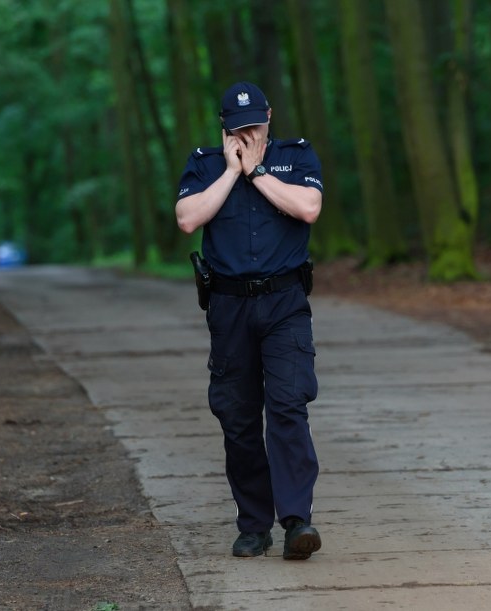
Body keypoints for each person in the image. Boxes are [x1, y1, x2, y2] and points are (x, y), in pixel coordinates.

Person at [175, 81, 323, 560]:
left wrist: (256, 170)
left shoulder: (296, 158)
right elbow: (187, 219)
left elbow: (307, 208)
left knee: (287, 407)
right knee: (238, 420)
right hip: (229, 307)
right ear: (224, 128)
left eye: (256, 125)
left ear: (270, 117)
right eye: (239, 129)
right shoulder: (204, 164)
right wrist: (231, 172)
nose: (249, 133)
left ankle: (297, 520)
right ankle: (254, 525)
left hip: (285, 304)